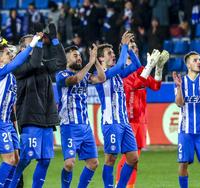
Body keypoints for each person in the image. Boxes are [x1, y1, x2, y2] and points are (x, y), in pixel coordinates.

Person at [94, 31, 156, 188]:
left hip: (124, 123)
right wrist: (124, 46)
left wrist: (128, 49)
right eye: (109, 53)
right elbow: (122, 64)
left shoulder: (118, 74)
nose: (113, 55)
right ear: (101, 58)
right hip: (111, 123)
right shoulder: (101, 75)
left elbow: (136, 66)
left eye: (114, 52)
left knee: (133, 158)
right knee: (111, 159)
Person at [9, 24, 66, 188]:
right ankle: (11, 185)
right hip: (29, 117)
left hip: (46, 118)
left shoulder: (43, 64)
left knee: (45, 160)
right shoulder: (17, 65)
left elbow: (61, 63)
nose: (36, 43)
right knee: (27, 157)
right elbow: (33, 63)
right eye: (31, 42)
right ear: (22, 49)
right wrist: (39, 42)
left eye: (37, 41)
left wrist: (55, 40)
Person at [0, 33, 42, 188]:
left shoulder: (10, 76)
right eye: (7, 53)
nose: (10, 55)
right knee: (9, 160)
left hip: (7, 122)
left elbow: (12, 104)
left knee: (16, 160)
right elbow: (18, 62)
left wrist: (14, 124)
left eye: (10, 53)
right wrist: (34, 42)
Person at [115, 41, 169, 188]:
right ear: (124, 52)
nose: (136, 50)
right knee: (128, 157)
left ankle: (129, 186)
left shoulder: (140, 70)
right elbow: (135, 84)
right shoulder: (121, 71)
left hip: (141, 120)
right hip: (128, 120)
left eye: (136, 47)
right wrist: (148, 67)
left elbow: (156, 86)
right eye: (132, 48)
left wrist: (158, 68)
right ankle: (119, 185)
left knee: (135, 158)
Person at [56, 44, 105, 188]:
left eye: (79, 56)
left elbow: (101, 78)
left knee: (93, 163)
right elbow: (75, 79)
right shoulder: (62, 75)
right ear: (67, 59)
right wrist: (90, 63)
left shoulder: (86, 76)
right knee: (69, 164)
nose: (79, 58)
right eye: (75, 56)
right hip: (69, 126)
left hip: (85, 126)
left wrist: (95, 61)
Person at [173, 51, 200, 188]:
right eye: (195, 60)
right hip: (185, 131)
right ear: (188, 64)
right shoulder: (181, 81)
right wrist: (179, 87)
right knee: (183, 163)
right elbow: (179, 103)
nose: (199, 62)